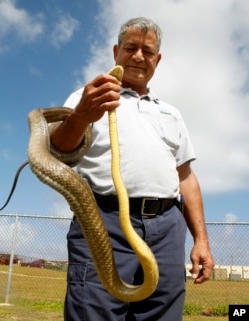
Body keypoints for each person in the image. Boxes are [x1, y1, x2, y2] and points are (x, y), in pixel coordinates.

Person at [50, 17, 214, 321]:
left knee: (162, 313)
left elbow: (186, 178)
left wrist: (201, 240)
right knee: (95, 312)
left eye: (148, 51)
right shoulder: (88, 96)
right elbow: (59, 150)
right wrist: (82, 115)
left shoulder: (171, 113)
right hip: (103, 222)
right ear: (116, 51)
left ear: (157, 60)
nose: (139, 56)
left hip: (167, 226)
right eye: (131, 47)